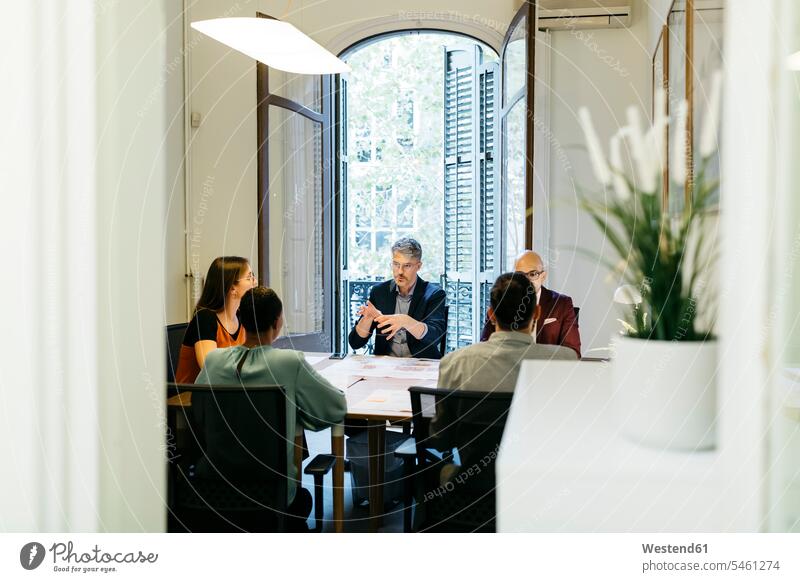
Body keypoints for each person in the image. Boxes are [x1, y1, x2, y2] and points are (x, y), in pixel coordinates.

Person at [195, 286, 347, 528]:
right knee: (302, 499)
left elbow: (199, 411)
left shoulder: (214, 360)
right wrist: (300, 416)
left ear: (241, 321)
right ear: (277, 322)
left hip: (215, 487)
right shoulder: (289, 362)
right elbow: (334, 408)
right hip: (272, 493)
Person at [437, 272, 577, 392]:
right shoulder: (566, 360)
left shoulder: (454, 364)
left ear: (491, 315)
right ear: (537, 313)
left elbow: (443, 422)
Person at [348, 237, 447, 359]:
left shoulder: (434, 294)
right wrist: (367, 319)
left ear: (419, 266)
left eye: (407, 265)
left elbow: (434, 337)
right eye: (396, 264)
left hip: (421, 367)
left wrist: (405, 321)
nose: (400, 271)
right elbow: (355, 343)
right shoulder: (379, 292)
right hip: (386, 367)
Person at [480, 250, 582, 358]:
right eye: (520, 275)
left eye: (533, 274)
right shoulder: (501, 302)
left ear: (543, 276)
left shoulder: (561, 303)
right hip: (505, 366)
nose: (526, 280)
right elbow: (485, 347)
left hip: (547, 368)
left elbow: (573, 352)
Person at [174, 256, 256, 384]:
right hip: (190, 397)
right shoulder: (205, 318)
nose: (255, 282)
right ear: (232, 288)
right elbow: (211, 369)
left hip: (227, 393)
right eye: (249, 277)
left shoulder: (243, 317)